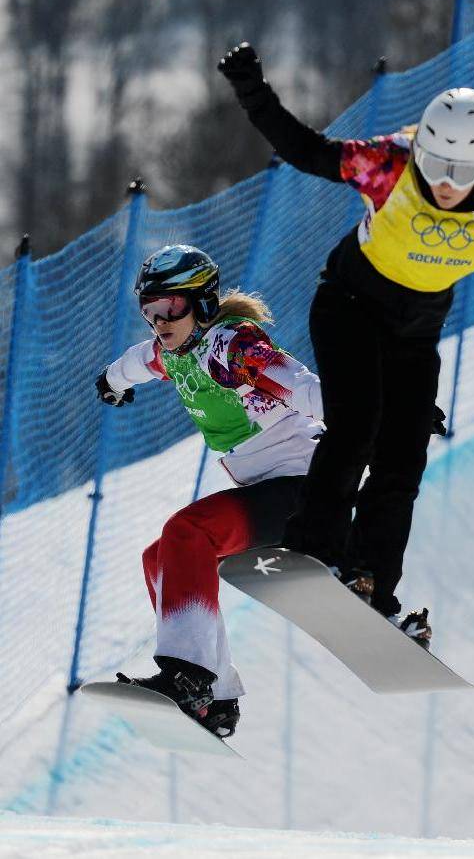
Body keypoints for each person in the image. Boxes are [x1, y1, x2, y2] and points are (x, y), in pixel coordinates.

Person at [218, 42, 474, 637]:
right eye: (438, 168)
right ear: (422, 150)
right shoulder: (392, 164)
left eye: (464, 174)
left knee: (403, 456)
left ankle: (369, 582)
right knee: (356, 425)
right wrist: (252, 89)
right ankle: (312, 548)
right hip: (350, 306)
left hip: (414, 333)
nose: (448, 185)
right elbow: (305, 150)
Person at [95, 243, 325, 738]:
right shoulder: (172, 351)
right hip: (267, 489)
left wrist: (392, 418)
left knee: (187, 532)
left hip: (307, 486)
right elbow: (139, 362)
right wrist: (112, 381)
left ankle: (187, 677)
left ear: (201, 302)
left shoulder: (233, 347)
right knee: (159, 559)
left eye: (170, 306)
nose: (159, 320)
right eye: (149, 309)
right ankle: (214, 699)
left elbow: (306, 389)